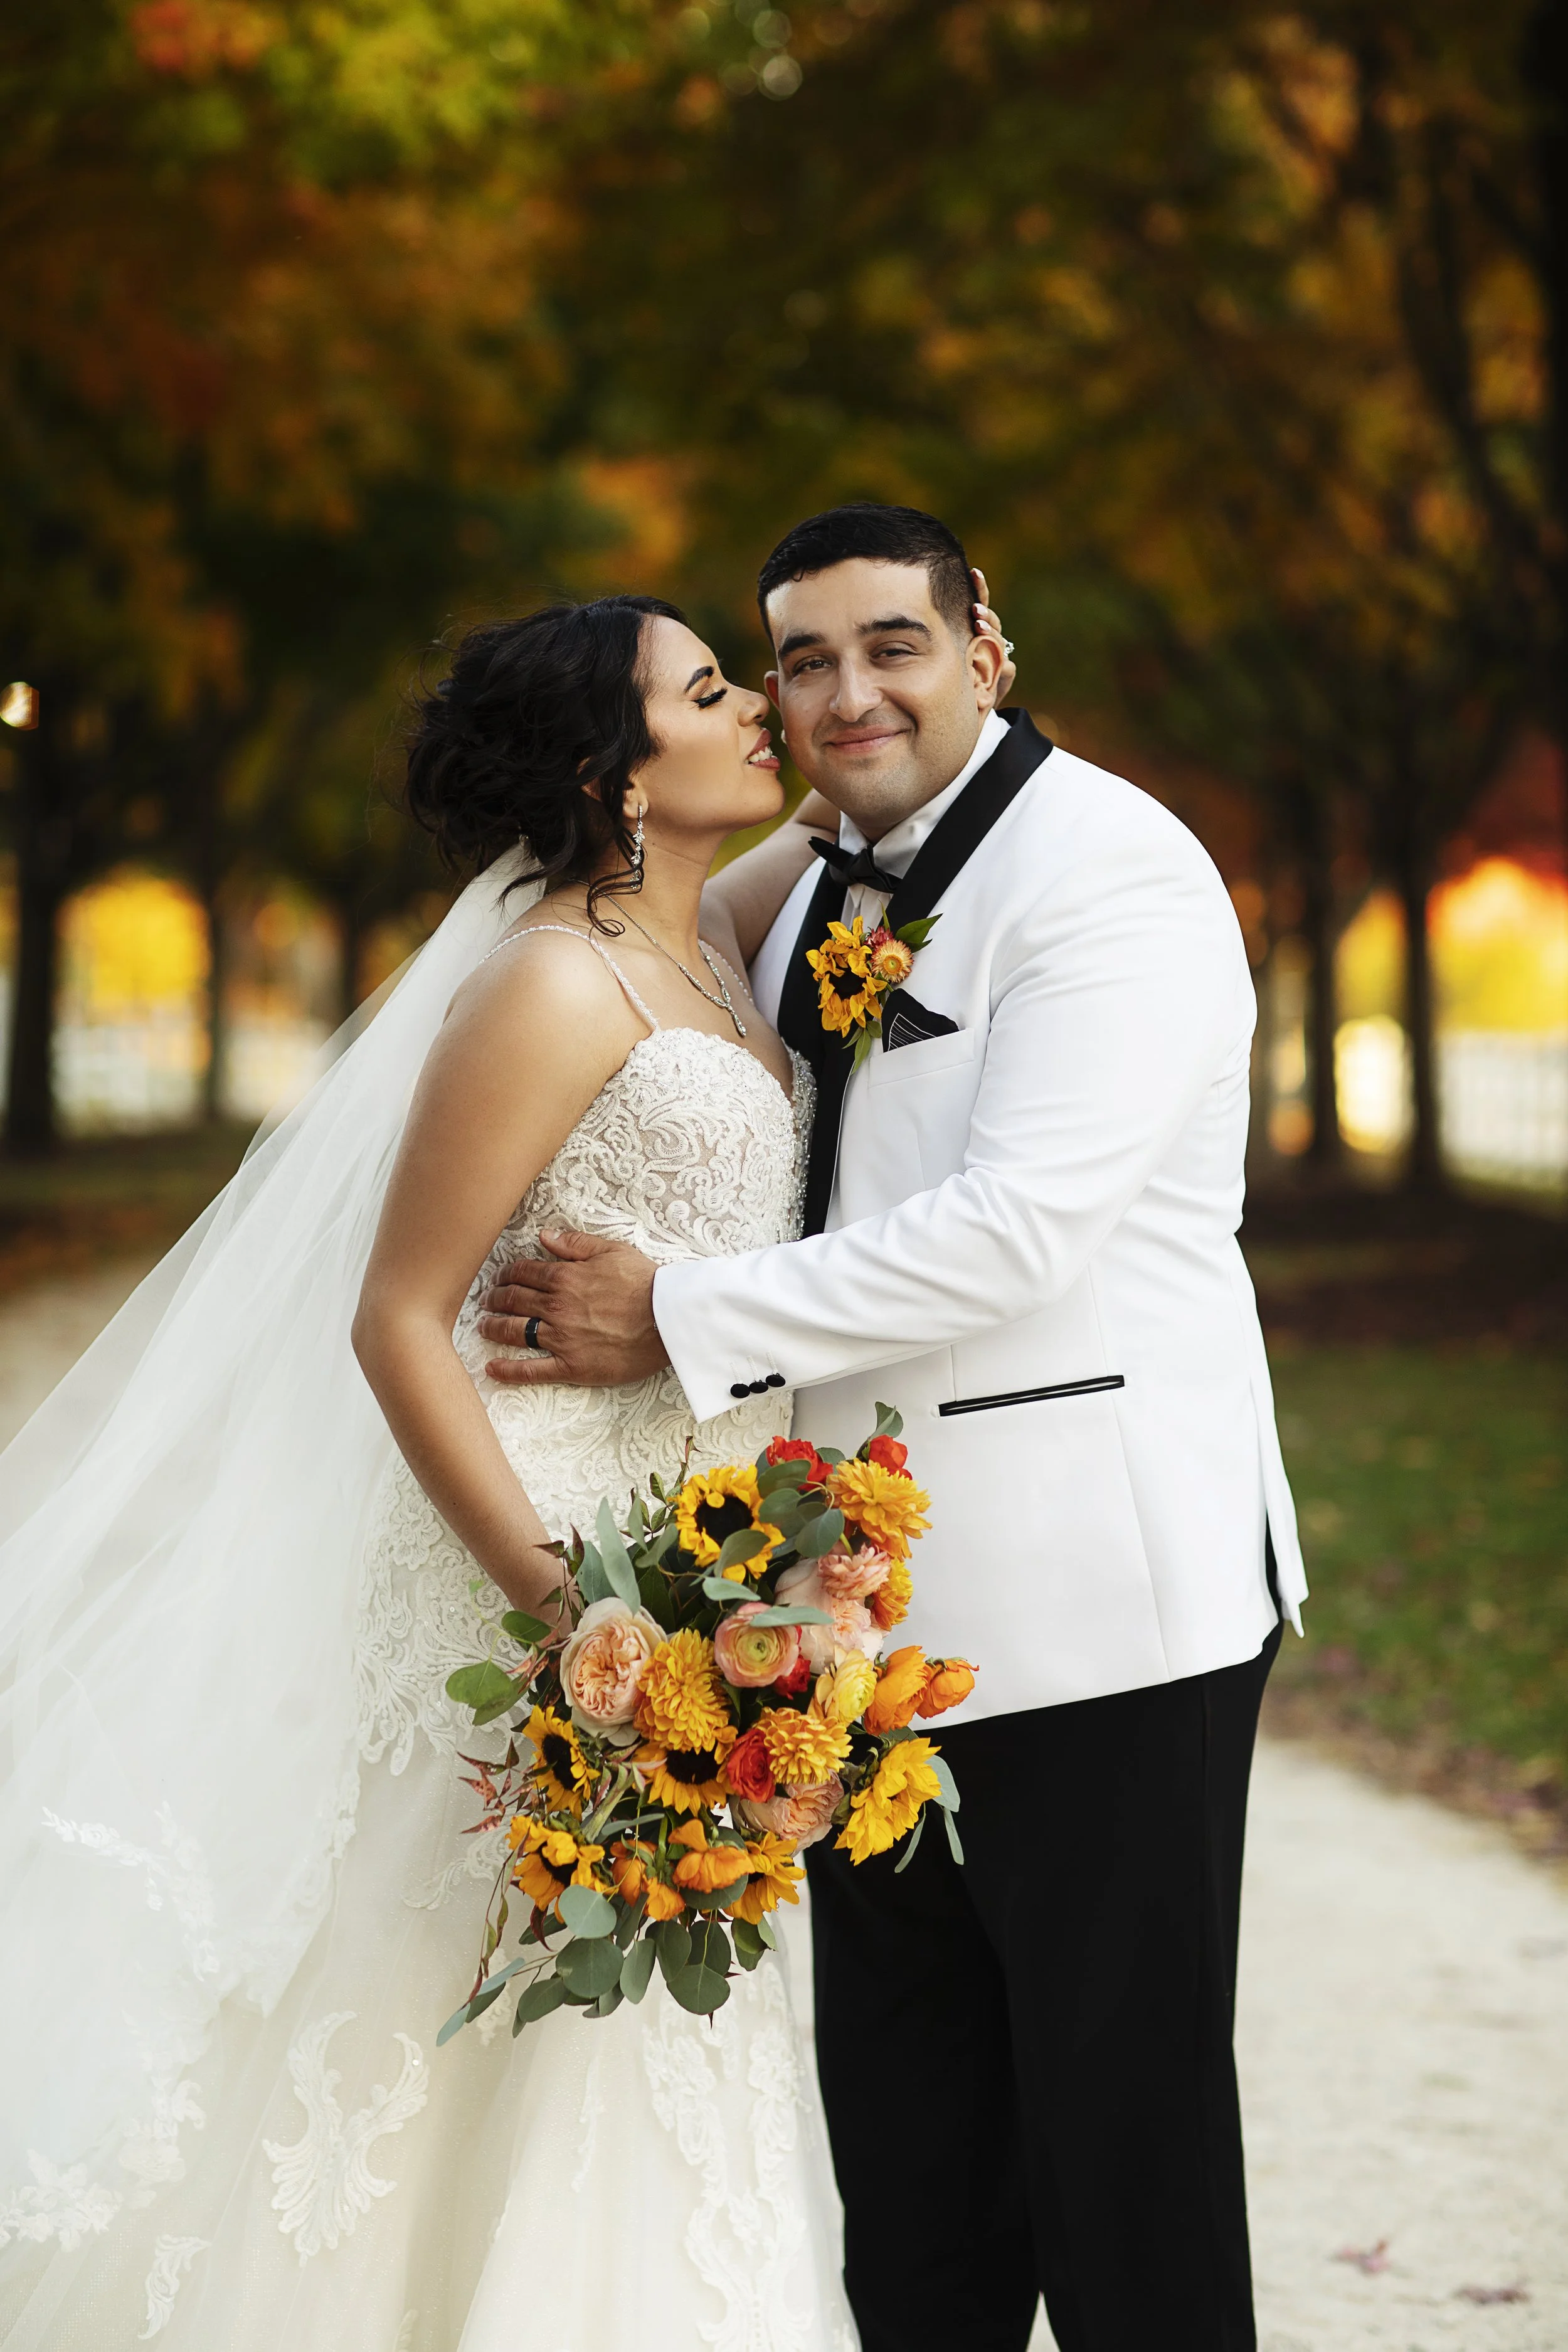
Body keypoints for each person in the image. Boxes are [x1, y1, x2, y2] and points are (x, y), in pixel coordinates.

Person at [477, 504, 1310, 2352]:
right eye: (803, 660)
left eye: (893, 645)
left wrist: (670, 1315)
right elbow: (611, 927)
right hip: (849, 1633)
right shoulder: (806, 889)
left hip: (1103, 1612)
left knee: (1125, 2162)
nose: (848, 692)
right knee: (915, 2171)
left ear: (985, 649)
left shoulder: (1114, 869)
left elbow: (1021, 1231)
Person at [0, 596, 861, 2350]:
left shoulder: (713, 941)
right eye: (712, 689)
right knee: (457, 1993)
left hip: (694, 1540)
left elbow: (867, 812)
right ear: (612, 773)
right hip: (532, 1556)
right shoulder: (550, 980)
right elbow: (399, 1318)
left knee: (646, 2016)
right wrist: (572, 1615)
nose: (759, 710)